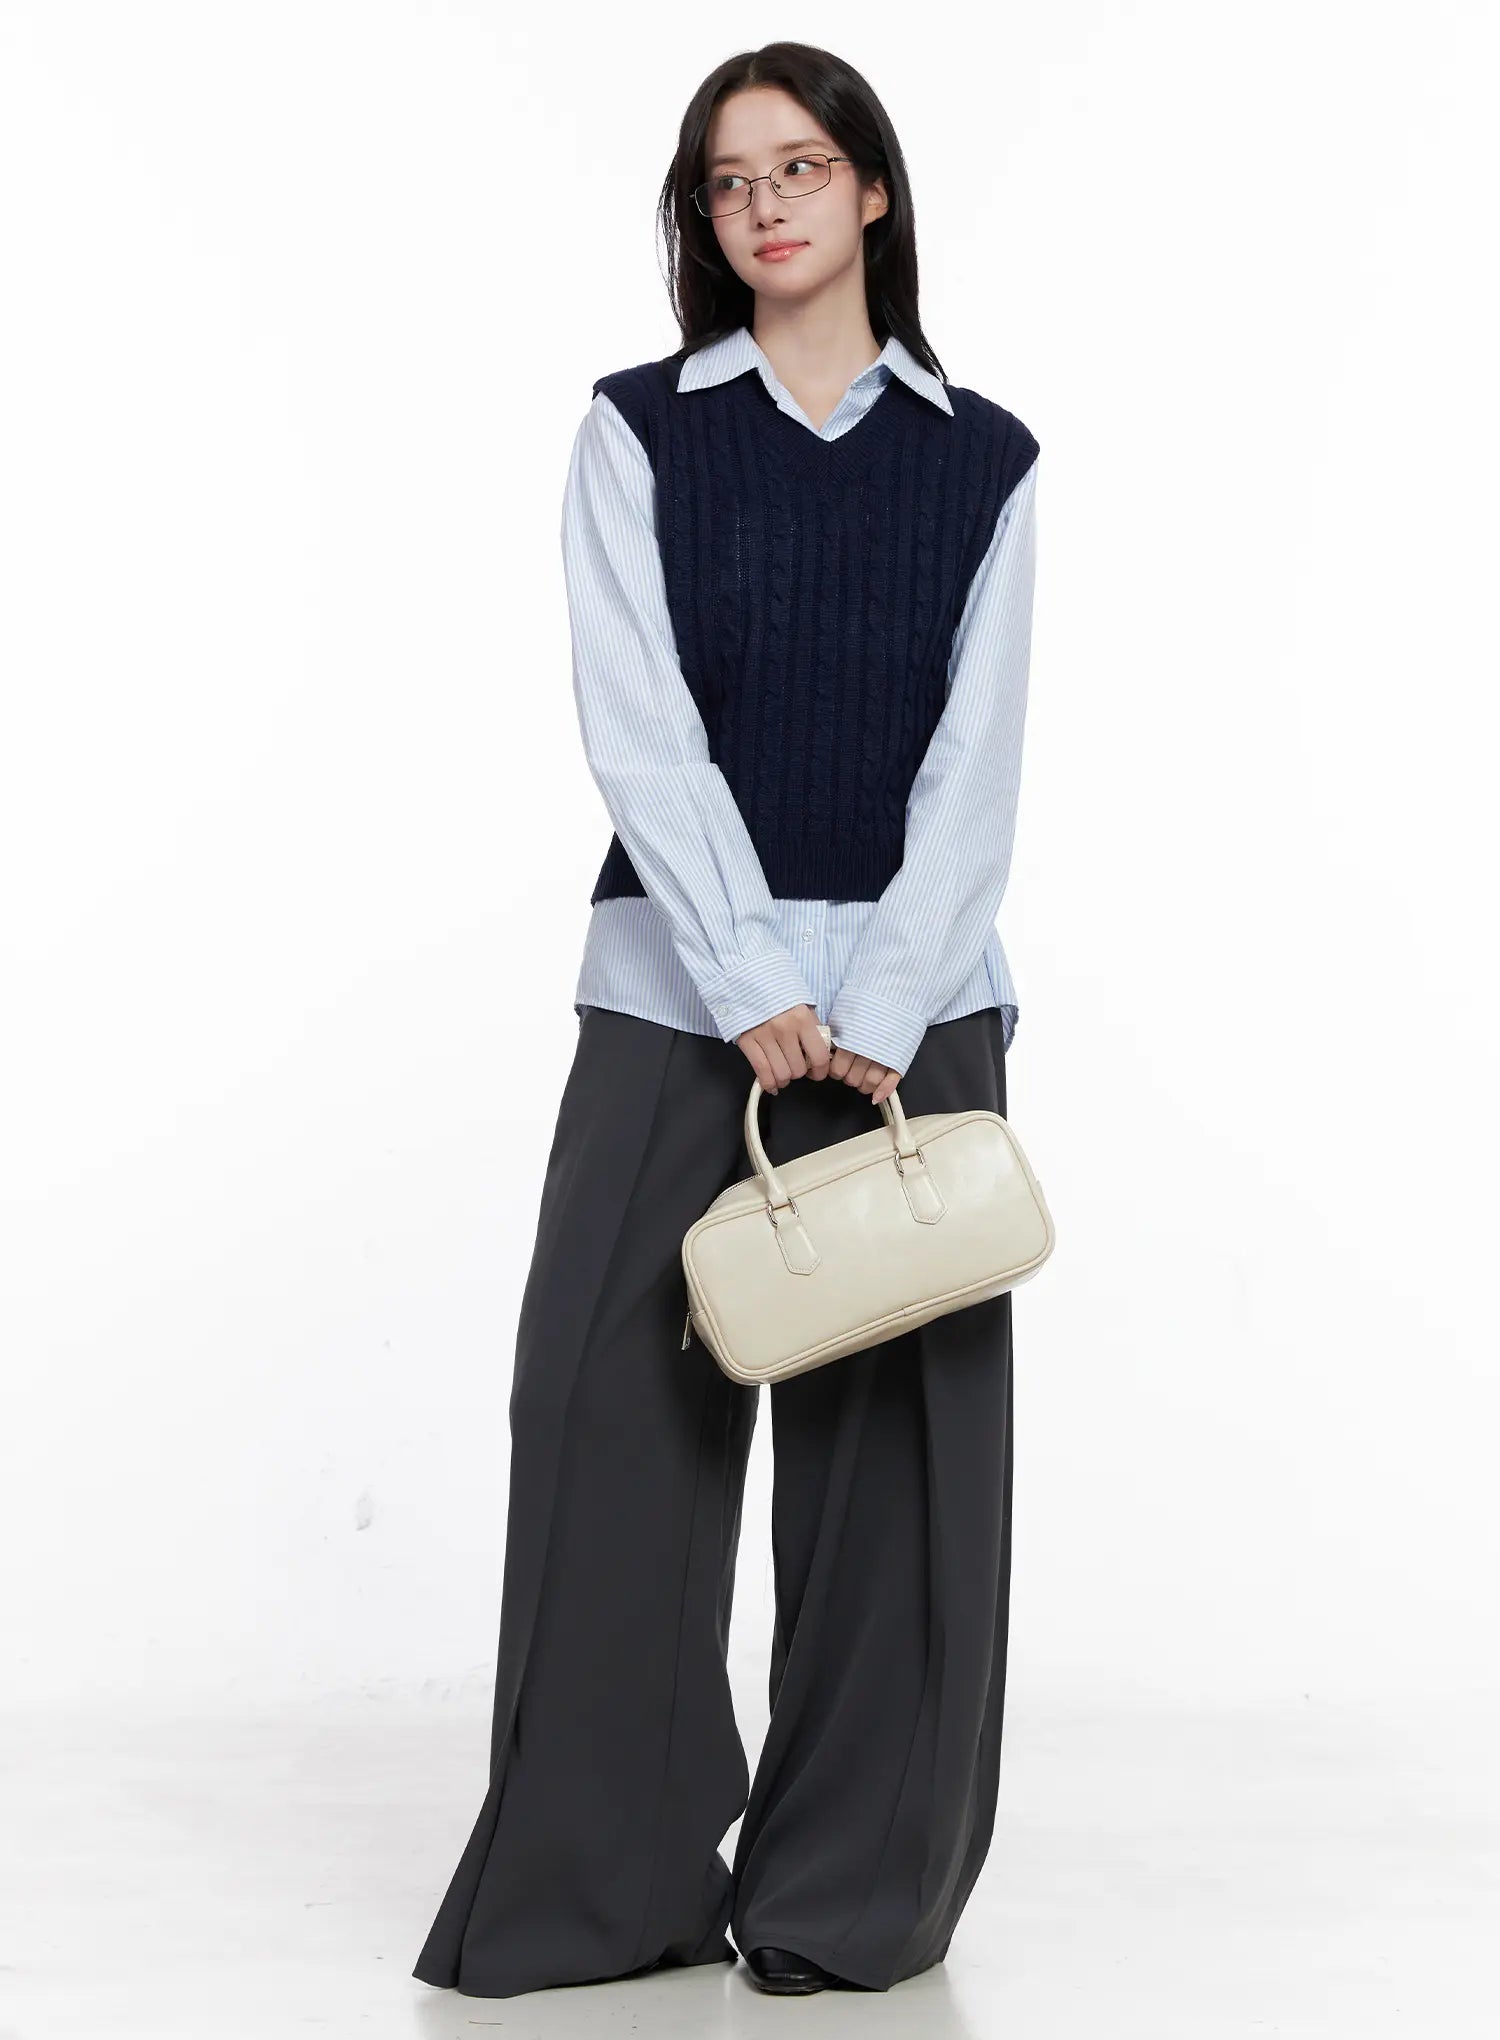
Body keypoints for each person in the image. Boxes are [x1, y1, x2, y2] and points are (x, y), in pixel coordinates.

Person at [412, 38, 1039, 2002]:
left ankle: (852, 1899)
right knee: (606, 1428)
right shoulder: (638, 434)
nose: (763, 205)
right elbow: (639, 721)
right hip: (677, 1002)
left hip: (920, 1011)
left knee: (900, 1473)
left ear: (874, 190)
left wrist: (879, 996)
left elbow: (979, 762)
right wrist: (755, 975)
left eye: (800, 167)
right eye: (727, 180)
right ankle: (604, 1889)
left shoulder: (986, 458)